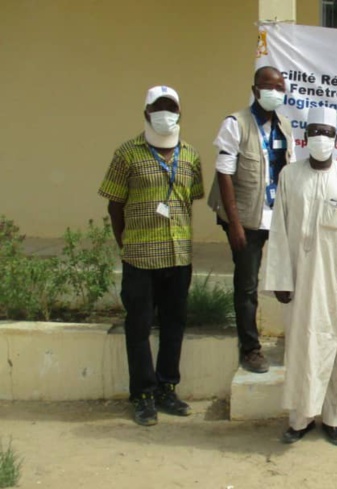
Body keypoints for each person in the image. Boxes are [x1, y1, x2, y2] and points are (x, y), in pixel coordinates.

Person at [265, 107, 337, 446]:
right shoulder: (290, 175)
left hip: (334, 282)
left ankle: (333, 419)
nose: (320, 138)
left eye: (326, 132)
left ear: (336, 138)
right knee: (301, 348)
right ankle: (299, 420)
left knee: (334, 347)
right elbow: (279, 230)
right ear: (305, 137)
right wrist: (280, 278)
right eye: (314, 132)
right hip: (299, 280)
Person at [98, 86, 204, 426]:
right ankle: (142, 394)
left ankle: (166, 388)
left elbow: (190, 199)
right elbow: (115, 205)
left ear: (180, 113)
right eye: (158, 107)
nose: (164, 113)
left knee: (174, 324)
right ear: (146, 113)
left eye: (170, 107)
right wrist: (126, 244)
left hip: (178, 256)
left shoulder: (191, 155)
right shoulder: (126, 154)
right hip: (140, 258)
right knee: (139, 326)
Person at [207, 66, 296, 373]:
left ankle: (296, 340)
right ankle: (250, 349)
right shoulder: (236, 124)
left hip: (277, 215)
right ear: (255, 90)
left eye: (280, 87)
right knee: (247, 285)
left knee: (287, 278)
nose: (275, 92)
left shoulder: (285, 126)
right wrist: (234, 223)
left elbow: (290, 172)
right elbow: (224, 174)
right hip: (245, 218)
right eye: (269, 86)